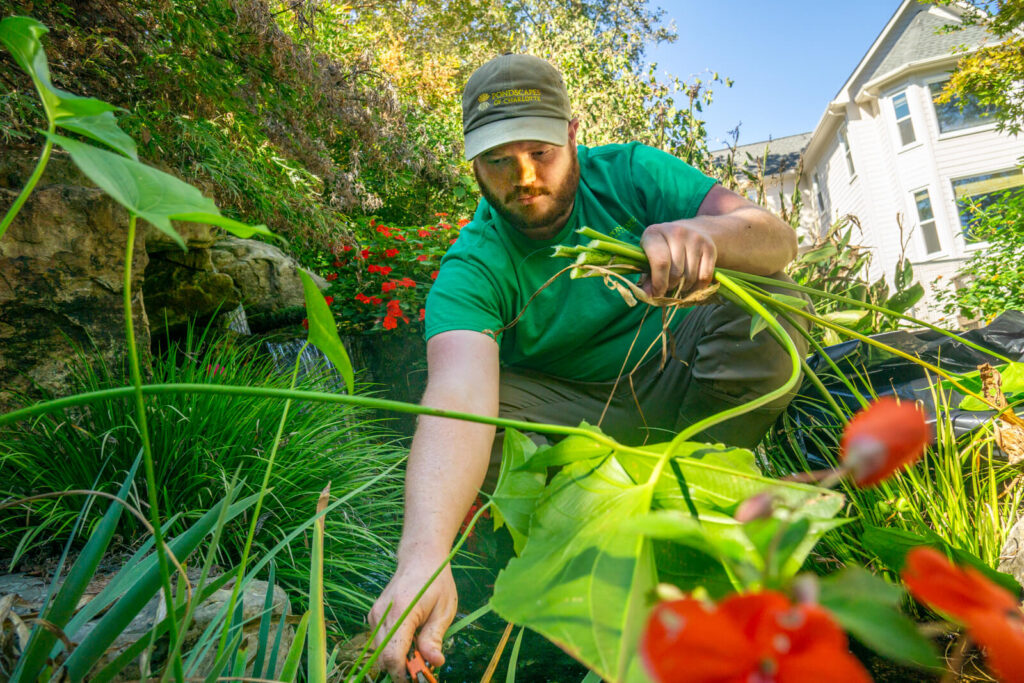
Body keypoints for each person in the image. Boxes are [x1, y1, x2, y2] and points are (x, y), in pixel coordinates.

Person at [367, 53, 807, 680]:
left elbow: (775, 238)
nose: (524, 177)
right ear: (472, 164)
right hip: (573, 424)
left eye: (540, 152)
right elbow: (458, 397)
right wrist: (423, 558)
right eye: (498, 160)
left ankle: (712, 483)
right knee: (484, 427)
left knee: (776, 303)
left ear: (574, 136)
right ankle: (566, 572)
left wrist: (708, 236)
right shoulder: (472, 268)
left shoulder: (631, 174)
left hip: (678, 375)